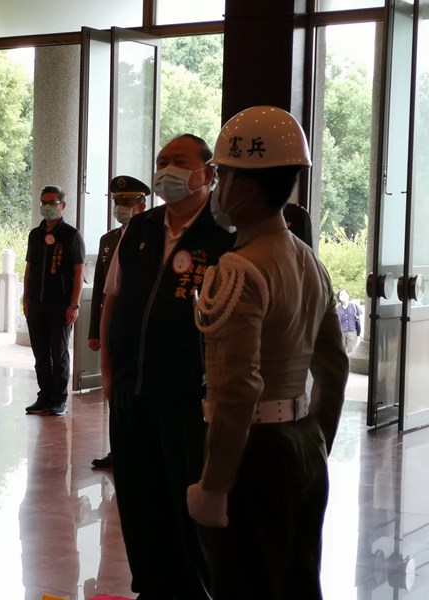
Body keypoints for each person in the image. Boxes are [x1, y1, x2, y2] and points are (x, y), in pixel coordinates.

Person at [186, 106, 349, 600]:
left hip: (253, 455)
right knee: (297, 582)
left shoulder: (239, 269)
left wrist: (214, 487)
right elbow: (334, 368)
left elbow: (237, 389)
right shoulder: (308, 262)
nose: (219, 188)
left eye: (225, 176)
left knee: (245, 584)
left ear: (247, 187)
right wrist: (315, 438)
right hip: (302, 442)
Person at [100, 134, 235, 599]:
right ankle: (152, 587)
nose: (167, 170)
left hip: (187, 396)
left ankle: (195, 590)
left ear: (208, 173)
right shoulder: (139, 229)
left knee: (186, 500)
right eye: (161, 161)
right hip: (131, 389)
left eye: (179, 161)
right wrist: (108, 364)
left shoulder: (226, 234)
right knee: (138, 498)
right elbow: (112, 296)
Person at [89, 175, 149, 469]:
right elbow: (102, 288)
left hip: (136, 330)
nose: (121, 207)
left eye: (126, 202)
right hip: (112, 328)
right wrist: (94, 332)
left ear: (141, 204)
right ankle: (117, 451)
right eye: (118, 202)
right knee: (113, 395)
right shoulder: (109, 240)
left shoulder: (150, 237)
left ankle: (136, 452)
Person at [23, 185, 85, 417]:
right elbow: (29, 268)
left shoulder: (72, 235)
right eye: (44, 202)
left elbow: (79, 272)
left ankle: (59, 398)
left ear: (63, 205)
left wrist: (74, 303)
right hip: (36, 303)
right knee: (40, 353)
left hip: (60, 305)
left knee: (58, 354)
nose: (47, 207)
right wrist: (26, 297)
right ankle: (45, 395)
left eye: (52, 202)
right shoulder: (35, 234)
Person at [336, 288, 361, 354]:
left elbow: (359, 317)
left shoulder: (354, 306)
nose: (343, 295)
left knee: (352, 351)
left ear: (348, 295)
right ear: (339, 297)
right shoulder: (337, 309)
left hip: (352, 332)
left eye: (345, 294)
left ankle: (351, 364)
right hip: (341, 333)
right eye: (341, 294)